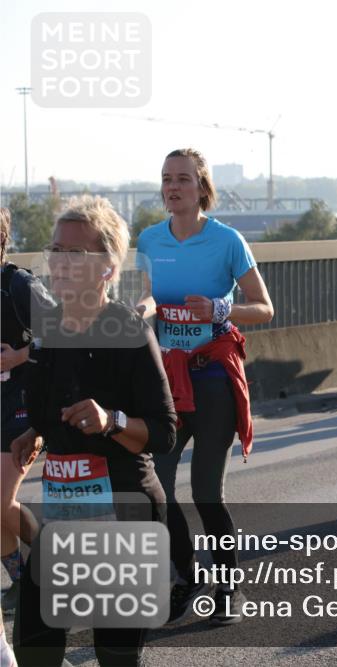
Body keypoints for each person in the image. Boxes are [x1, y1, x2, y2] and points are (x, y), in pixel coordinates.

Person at [11, 195, 177, 666]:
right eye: (55, 251)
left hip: (124, 510)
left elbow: (164, 431)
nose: (59, 264)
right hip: (65, 513)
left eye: (73, 254)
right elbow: (49, 409)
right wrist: (37, 436)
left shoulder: (128, 330)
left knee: (115, 656)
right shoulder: (46, 331)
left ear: (106, 266)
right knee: (35, 645)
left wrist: (112, 421)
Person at [134, 148, 274, 625]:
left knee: (205, 492)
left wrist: (219, 310)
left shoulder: (228, 240)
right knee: (160, 488)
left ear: (202, 187)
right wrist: (145, 308)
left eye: (184, 180)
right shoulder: (151, 238)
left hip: (213, 376)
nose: (173, 187)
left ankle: (227, 585)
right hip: (168, 380)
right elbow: (152, 291)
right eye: (167, 179)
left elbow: (264, 307)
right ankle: (185, 575)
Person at [1, 208, 52, 613]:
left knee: (1, 502)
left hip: (21, 404)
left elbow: (64, 331)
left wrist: (19, 356)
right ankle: (22, 580)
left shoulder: (19, 284)